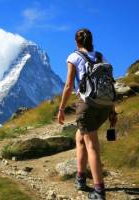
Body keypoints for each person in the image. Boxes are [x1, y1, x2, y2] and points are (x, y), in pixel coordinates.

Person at [57, 28, 117, 200]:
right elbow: (109, 84)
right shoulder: (100, 56)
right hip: (104, 106)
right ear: (91, 41)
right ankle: (80, 178)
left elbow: (69, 86)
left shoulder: (73, 57)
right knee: (80, 137)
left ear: (77, 42)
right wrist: (112, 111)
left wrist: (61, 109)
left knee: (92, 146)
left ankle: (99, 191)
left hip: (87, 105)